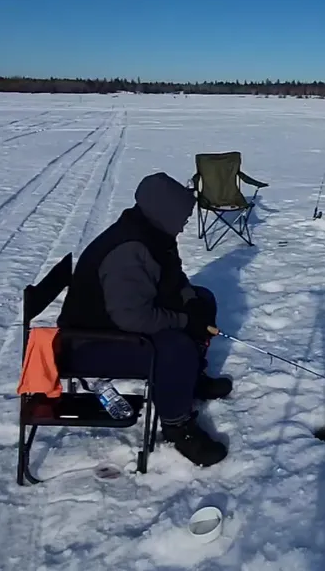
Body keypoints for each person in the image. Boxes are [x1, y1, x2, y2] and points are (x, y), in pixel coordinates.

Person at [56, 172, 232, 467]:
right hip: (90, 344)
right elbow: (133, 318)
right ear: (166, 211)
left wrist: (191, 303)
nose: (187, 222)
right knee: (175, 348)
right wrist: (184, 322)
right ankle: (178, 426)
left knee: (203, 300)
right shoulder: (129, 250)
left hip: (117, 326)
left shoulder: (155, 233)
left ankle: (189, 379)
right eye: (184, 215)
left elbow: (174, 277)